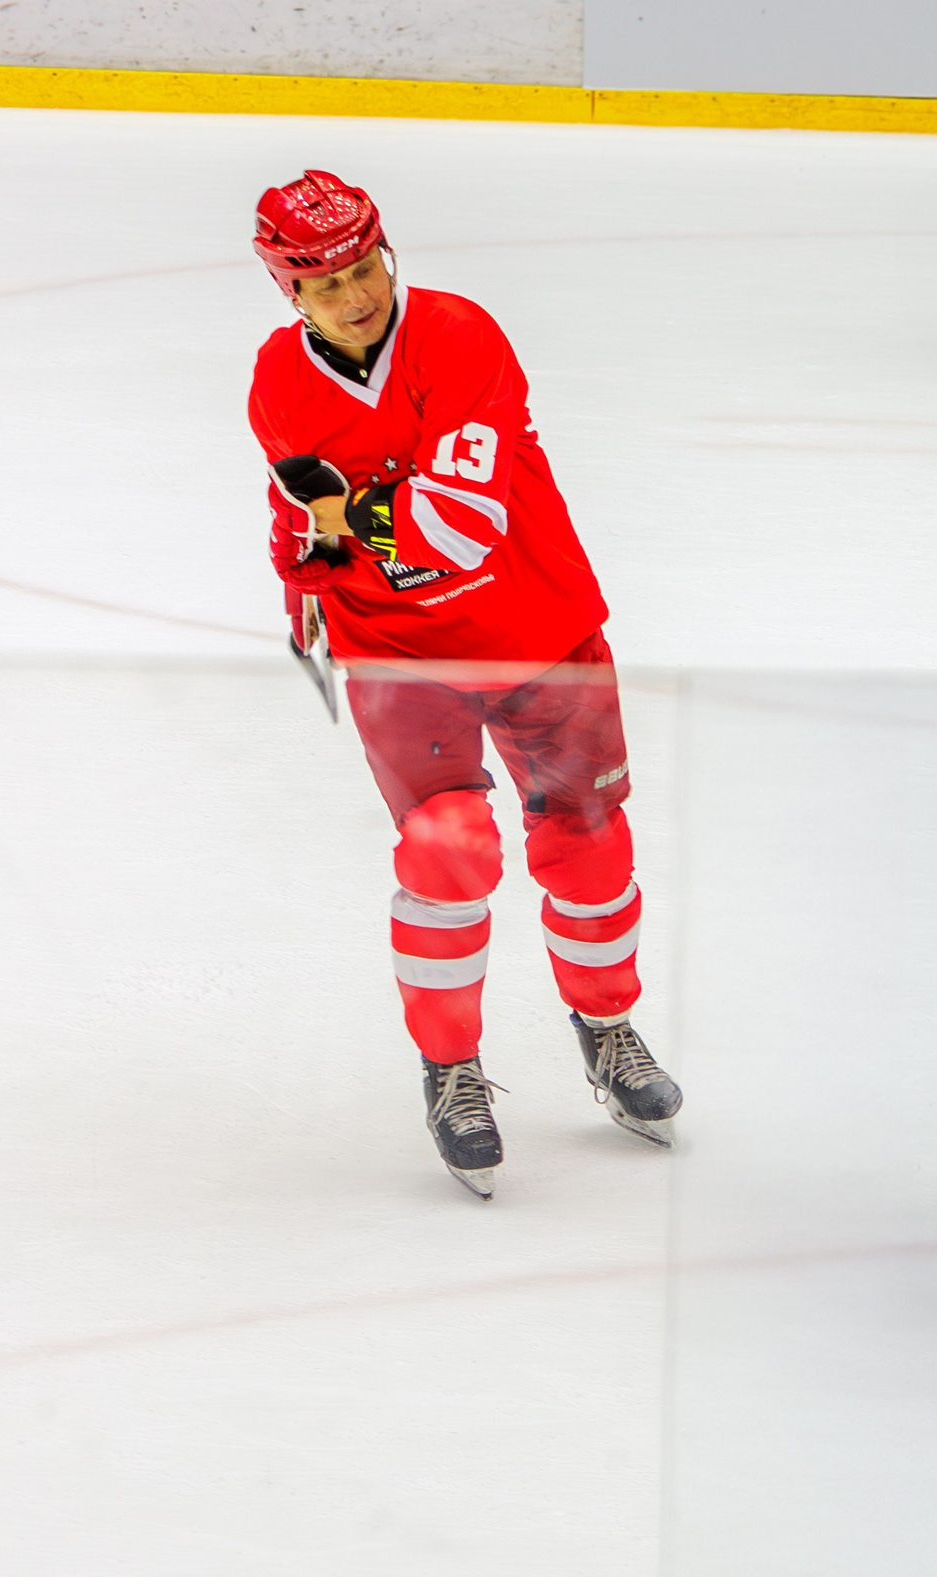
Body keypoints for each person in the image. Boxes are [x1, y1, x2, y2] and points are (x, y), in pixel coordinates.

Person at [245, 168, 681, 1197]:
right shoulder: (277, 378)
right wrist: (300, 580)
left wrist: (347, 519)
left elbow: (461, 525)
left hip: (538, 625)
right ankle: (450, 1070)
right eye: (326, 284)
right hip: (398, 654)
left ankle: (607, 1027)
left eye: (364, 269)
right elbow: (294, 514)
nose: (355, 296)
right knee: (448, 850)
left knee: (584, 846)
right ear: (289, 295)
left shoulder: (459, 337)